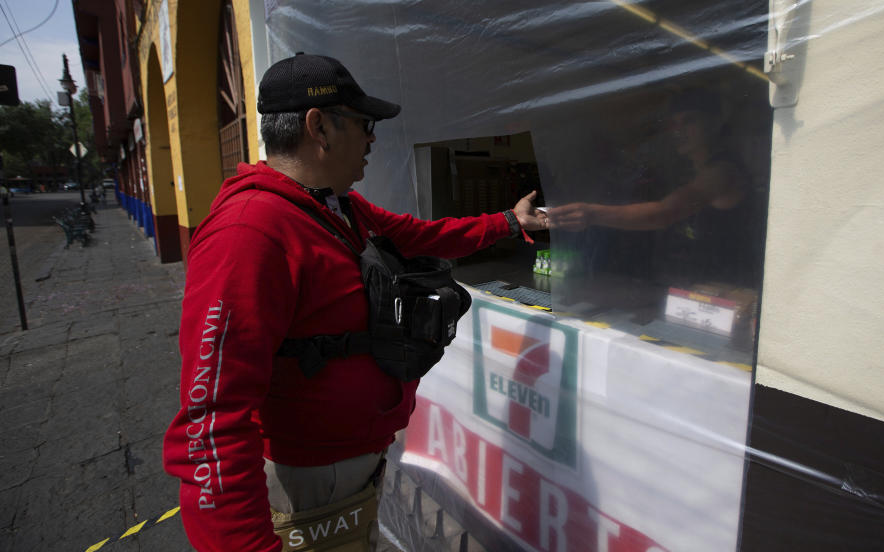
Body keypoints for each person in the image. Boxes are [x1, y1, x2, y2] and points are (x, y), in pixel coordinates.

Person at [162, 53, 547, 552]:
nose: (371, 139)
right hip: (309, 481)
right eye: (365, 125)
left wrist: (510, 223)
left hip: (350, 466)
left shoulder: (335, 206)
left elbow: (422, 236)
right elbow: (211, 418)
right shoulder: (250, 232)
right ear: (318, 127)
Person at [548, 88, 758, 286]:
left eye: (689, 121)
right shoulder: (691, 171)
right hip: (695, 284)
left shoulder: (722, 171)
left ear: (714, 123)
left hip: (726, 287)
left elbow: (665, 213)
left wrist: (590, 214)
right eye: (673, 124)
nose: (678, 131)